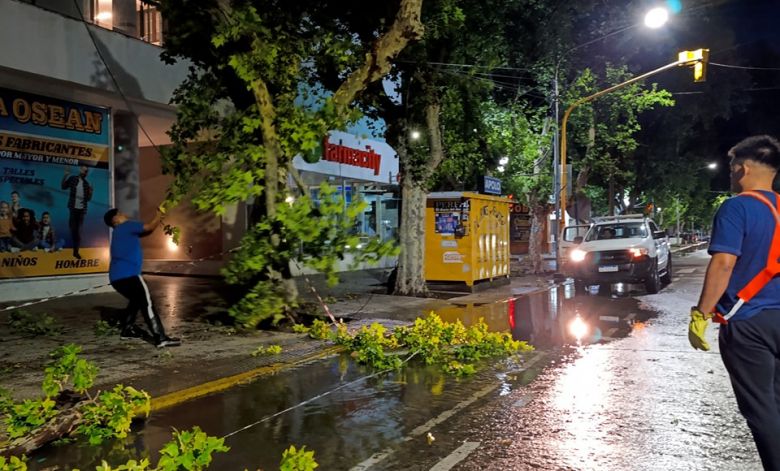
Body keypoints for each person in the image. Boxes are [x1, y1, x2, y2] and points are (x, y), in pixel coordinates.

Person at [689, 135, 780, 470]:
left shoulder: (736, 207)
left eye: (731, 168)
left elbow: (724, 264)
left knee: (761, 409)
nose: (729, 175)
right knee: (778, 404)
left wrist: (701, 314)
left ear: (742, 168)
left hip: (749, 324)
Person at [103, 206, 180, 348]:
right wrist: (159, 215)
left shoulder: (120, 232)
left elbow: (145, 232)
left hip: (116, 278)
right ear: (115, 219)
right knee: (147, 302)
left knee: (136, 301)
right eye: (120, 213)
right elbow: (149, 227)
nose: (124, 214)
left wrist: (158, 220)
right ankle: (161, 338)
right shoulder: (126, 226)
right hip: (130, 275)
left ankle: (127, 329)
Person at [61, 165, 93, 259]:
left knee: (78, 232)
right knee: (72, 230)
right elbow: (63, 187)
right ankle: (70, 248)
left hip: (81, 210)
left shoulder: (86, 184)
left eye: (86, 171)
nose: (84, 172)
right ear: (80, 170)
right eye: (83, 170)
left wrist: (91, 192)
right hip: (73, 209)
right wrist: (65, 175)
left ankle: (76, 252)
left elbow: (88, 199)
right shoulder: (73, 179)